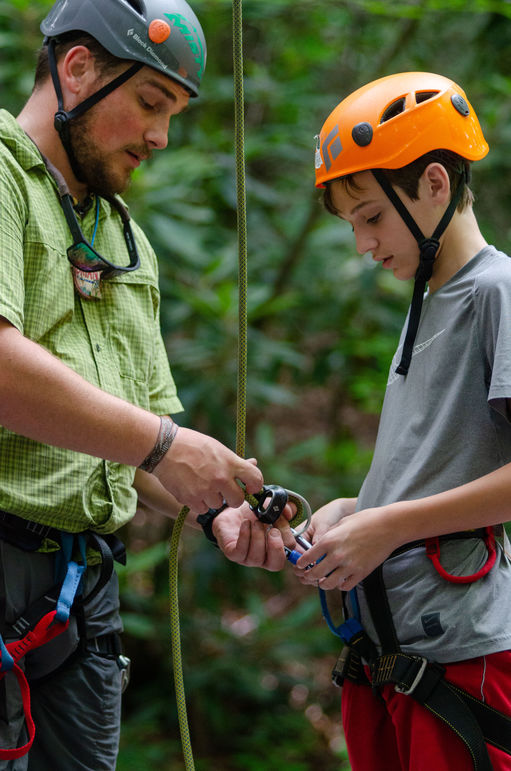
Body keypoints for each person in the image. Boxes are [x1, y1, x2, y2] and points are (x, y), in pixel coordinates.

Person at [0, 0, 290, 767]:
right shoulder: (2, 178)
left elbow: (131, 446)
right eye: (150, 103)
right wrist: (167, 446)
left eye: (175, 115)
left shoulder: (125, 240)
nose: (161, 136)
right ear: (77, 68)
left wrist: (214, 510)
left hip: (82, 605)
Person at [289, 72, 511, 770]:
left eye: (371, 217)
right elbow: (445, 462)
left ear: (435, 185)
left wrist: (385, 526)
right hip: (390, 649)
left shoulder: (495, 293)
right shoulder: (427, 302)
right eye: (352, 224)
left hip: (463, 658)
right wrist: (356, 509)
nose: (361, 242)